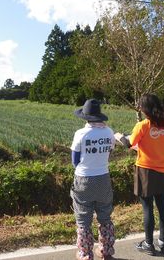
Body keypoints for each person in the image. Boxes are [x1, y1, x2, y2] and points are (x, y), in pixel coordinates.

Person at [115, 94, 164, 256]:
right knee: (162, 206)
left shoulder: (143, 125)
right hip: (162, 170)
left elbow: (129, 143)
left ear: (144, 110)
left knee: (147, 208)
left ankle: (148, 244)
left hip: (145, 170)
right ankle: (163, 242)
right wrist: (158, 150)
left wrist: (118, 136)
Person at [70, 99, 116, 260]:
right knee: (105, 216)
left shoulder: (81, 134)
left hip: (84, 179)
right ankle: (106, 251)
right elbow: (109, 153)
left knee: (83, 218)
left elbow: (74, 160)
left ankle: (85, 254)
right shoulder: (109, 132)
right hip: (103, 178)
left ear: (85, 117)